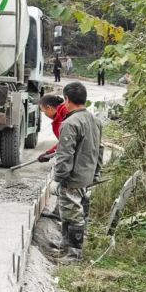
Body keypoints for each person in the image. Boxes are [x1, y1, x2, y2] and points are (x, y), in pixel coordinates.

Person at [50, 81, 103, 262]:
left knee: (73, 215)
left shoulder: (70, 123)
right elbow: (99, 149)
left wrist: (58, 178)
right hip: (87, 175)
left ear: (67, 99)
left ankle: (73, 254)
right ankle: (66, 246)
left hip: (73, 177)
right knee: (71, 212)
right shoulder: (95, 120)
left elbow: (65, 156)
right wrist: (96, 173)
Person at [37, 94, 68, 162]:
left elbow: (66, 142)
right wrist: (48, 153)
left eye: (44, 111)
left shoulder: (64, 114)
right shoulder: (61, 113)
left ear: (49, 108)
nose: (45, 114)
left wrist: (49, 153)